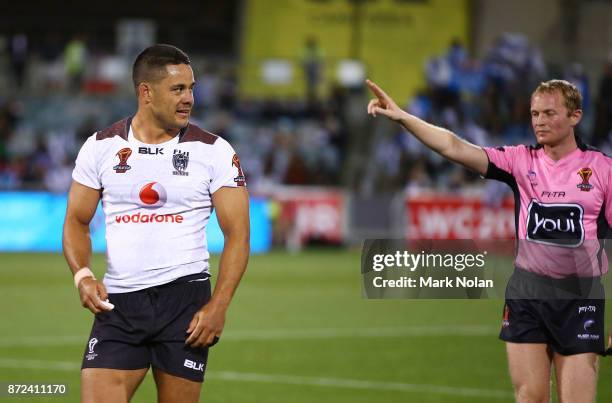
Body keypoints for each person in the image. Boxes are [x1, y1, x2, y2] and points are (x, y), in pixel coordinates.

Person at [366, 78, 611, 403]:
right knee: (530, 397)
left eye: (549, 113)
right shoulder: (520, 161)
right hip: (528, 295)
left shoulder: (602, 170)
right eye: (534, 113)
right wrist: (403, 117)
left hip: (580, 298)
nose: (539, 121)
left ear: (575, 116)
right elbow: (454, 146)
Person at [62, 44, 250, 403]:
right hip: (119, 306)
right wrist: (82, 275)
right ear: (145, 92)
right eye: (178, 89)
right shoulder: (100, 147)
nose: (189, 99)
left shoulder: (214, 152)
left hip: (186, 305)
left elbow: (238, 236)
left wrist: (219, 305)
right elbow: (76, 221)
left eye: (191, 88)